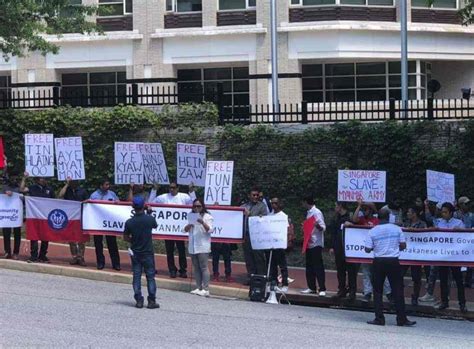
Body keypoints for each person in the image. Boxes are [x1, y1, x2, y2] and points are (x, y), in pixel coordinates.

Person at [365, 208, 416, 327]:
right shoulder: (397, 229)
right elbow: (403, 245)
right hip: (393, 261)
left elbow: (367, 249)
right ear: (389, 217)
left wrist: (375, 247)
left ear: (378, 218)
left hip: (378, 261)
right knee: (398, 290)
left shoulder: (373, 231)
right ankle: (401, 319)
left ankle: (379, 318)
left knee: (377, 291)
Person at [152, 182, 195, 278]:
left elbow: (194, 204)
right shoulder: (163, 197)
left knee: (181, 250)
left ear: (177, 188)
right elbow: (151, 202)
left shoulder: (184, 197)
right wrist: (154, 190)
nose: (171, 189)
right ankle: (172, 269)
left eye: (174, 187)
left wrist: (191, 191)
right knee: (169, 250)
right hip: (168, 230)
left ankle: (183, 270)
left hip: (180, 230)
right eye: (170, 187)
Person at [352, 199, 392, 302]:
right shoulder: (362, 219)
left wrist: (364, 203)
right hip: (365, 250)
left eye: (366, 209)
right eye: (363, 209)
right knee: (366, 272)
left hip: (377, 251)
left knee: (383, 272)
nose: (364, 211)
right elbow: (354, 219)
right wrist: (359, 206)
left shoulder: (376, 219)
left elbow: (374, 207)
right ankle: (367, 292)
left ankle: (388, 293)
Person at [123, 196, 159, 309]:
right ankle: (151, 300)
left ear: (133, 206)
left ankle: (139, 300)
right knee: (150, 276)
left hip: (136, 252)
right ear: (144, 205)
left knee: (137, 276)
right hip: (147, 252)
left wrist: (133, 240)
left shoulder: (129, 222)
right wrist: (149, 212)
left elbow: (125, 237)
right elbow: (155, 225)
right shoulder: (149, 219)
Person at [431, 202, 467, 313]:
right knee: (443, 279)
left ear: (451, 213)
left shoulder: (459, 223)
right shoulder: (439, 223)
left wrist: (460, 231)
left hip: (455, 256)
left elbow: (467, 237)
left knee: (459, 280)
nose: (443, 214)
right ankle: (444, 301)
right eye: (442, 212)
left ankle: (462, 303)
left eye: (445, 212)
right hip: (443, 255)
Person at [20, 171, 54, 263]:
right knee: (34, 235)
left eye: (45, 178)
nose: (44, 180)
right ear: (37, 180)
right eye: (42, 178)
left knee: (45, 236)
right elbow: (22, 189)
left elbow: (54, 202)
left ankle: (42, 255)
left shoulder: (49, 189)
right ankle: (33, 256)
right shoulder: (32, 188)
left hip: (45, 217)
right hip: (34, 216)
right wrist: (24, 178)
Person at [329, 202, 359, 301]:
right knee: (340, 270)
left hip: (349, 249)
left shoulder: (350, 216)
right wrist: (332, 246)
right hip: (338, 248)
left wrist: (351, 225)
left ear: (340, 206)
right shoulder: (336, 218)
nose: (335, 208)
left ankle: (352, 292)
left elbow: (358, 228)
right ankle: (341, 290)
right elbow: (333, 233)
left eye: (336, 206)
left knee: (351, 271)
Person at [185, 198, 213, 297]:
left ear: (203, 206)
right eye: (195, 206)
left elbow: (210, 230)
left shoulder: (207, 216)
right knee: (196, 267)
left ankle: (206, 289)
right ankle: (198, 287)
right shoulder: (191, 216)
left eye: (199, 206)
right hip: (193, 245)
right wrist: (189, 224)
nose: (196, 208)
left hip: (203, 245)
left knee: (204, 267)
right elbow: (185, 230)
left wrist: (202, 222)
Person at [90, 179, 121, 271]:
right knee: (98, 243)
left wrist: (117, 203)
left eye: (108, 184)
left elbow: (119, 203)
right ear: (101, 185)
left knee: (112, 243)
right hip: (98, 223)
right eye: (106, 184)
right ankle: (100, 262)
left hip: (109, 223)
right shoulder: (94, 195)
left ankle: (116, 263)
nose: (108, 186)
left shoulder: (112, 194)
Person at [58, 177, 88, 266]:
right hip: (70, 217)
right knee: (71, 238)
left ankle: (81, 257)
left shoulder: (83, 191)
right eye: (71, 181)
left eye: (74, 181)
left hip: (80, 217)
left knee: (81, 239)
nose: (72, 182)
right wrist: (67, 184)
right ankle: (74, 256)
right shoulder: (67, 190)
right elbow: (60, 196)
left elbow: (87, 202)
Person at [241, 186, 268, 285]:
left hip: (257, 236)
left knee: (259, 257)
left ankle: (261, 277)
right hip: (247, 235)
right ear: (249, 196)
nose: (255, 197)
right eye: (253, 195)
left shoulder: (262, 206)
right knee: (248, 257)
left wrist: (250, 215)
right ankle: (251, 277)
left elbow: (263, 220)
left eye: (257, 195)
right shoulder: (244, 206)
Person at [300, 197, 326, 296]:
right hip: (309, 242)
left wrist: (316, 225)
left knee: (318, 266)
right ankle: (312, 287)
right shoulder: (309, 212)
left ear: (306, 202)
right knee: (309, 266)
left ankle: (322, 288)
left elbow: (322, 227)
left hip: (316, 243)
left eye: (303, 202)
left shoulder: (316, 212)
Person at [402, 206, 427, 306]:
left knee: (416, 277)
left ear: (414, 214)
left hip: (416, 254)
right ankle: (399, 294)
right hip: (405, 253)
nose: (407, 214)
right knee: (399, 275)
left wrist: (414, 232)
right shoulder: (406, 223)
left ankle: (415, 296)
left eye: (409, 212)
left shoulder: (422, 224)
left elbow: (425, 236)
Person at [268, 198, 290, 293]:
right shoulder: (269, 215)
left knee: (282, 265)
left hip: (280, 244)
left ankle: (285, 283)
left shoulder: (283, 216)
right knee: (272, 265)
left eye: (275, 203)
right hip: (271, 244)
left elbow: (286, 229)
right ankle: (274, 283)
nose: (273, 205)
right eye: (272, 203)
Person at [2, 175, 22, 260]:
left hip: (16, 215)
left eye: (16, 178)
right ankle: (7, 252)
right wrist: (5, 194)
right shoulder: (4, 188)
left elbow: (24, 198)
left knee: (17, 234)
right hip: (7, 215)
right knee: (6, 234)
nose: (14, 179)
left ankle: (16, 253)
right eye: (13, 178)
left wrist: (19, 196)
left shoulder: (19, 188)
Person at [455, 196, 473, 288]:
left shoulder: (471, 215)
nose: (468, 205)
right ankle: (459, 280)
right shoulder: (454, 215)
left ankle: (468, 281)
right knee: (458, 262)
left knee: (470, 262)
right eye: (466, 204)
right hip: (457, 243)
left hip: (469, 243)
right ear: (461, 205)